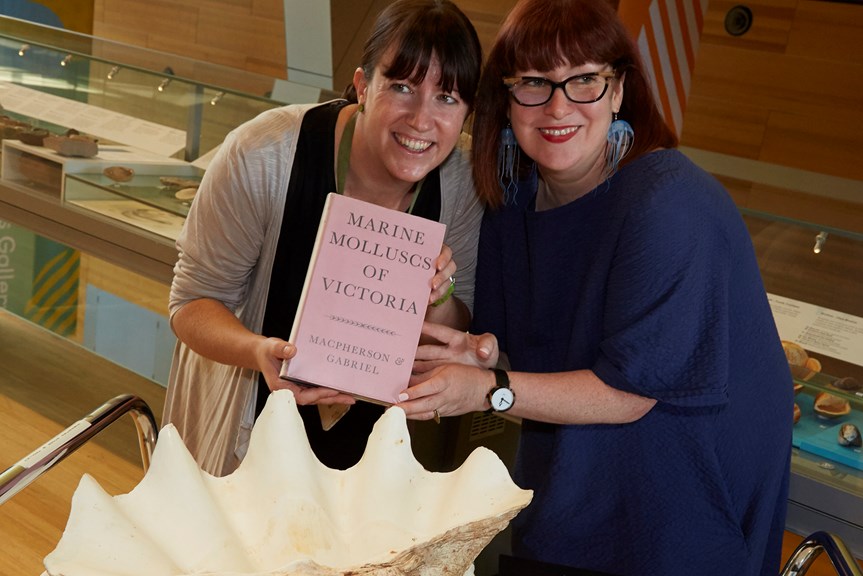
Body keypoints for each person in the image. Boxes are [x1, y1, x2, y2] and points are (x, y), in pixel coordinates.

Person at [398, 0, 794, 574]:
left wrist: (488, 387)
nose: (558, 106)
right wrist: (481, 354)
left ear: (617, 91)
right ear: (506, 101)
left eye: (583, 80)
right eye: (533, 83)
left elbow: (629, 392)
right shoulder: (512, 203)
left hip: (676, 510)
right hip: (571, 496)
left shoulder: (668, 201)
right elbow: (520, 361)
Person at [164, 0, 484, 477]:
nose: (421, 119)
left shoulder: (460, 182)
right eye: (401, 87)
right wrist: (258, 352)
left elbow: (454, 326)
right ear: (362, 86)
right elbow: (191, 305)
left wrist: (440, 293)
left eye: (447, 98)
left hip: (369, 458)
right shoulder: (264, 154)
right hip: (243, 438)